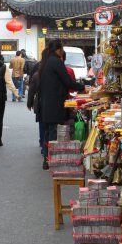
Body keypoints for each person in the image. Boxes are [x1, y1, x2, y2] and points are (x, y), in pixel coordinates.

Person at [38, 39, 83, 170]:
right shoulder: (56, 61)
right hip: (55, 103)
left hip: (46, 102)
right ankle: (50, 160)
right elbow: (67, 81)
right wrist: (82, 87)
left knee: (48, 132)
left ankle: (47, 160)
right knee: (53, 133)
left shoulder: (45, 61)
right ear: (59, 49)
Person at [27, 49, 47, 154]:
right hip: (49, 102)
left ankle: (42, 142)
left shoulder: (37, 70)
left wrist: (29, 103)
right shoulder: (54, 68)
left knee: (42, 122)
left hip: (39, 101)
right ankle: (45, 144)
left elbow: (31, 87)